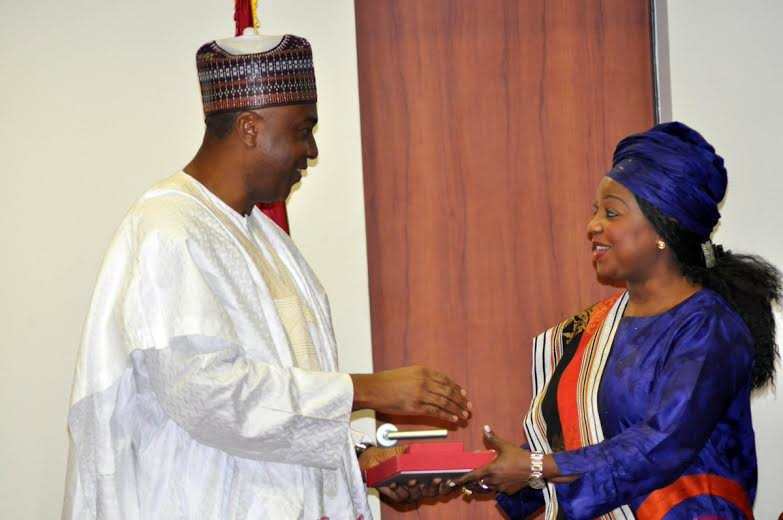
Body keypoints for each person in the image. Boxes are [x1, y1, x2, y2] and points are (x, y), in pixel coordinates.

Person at [62, 31, 471, 519]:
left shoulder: (267, 241)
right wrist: (366, 389)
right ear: (250, 128)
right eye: (302, 129)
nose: (311, 150)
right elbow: (209, 397)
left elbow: (274, 410)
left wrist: (360, 460)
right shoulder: (168, 230)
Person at [454, 122, 781, 519]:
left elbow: (663, 443)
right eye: (595, 211)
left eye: (611, 212)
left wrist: (538, 467)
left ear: (663, 228)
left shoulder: (709, 327)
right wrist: (473, 474)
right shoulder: (591, 328)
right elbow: (571, 449)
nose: (592, 226)